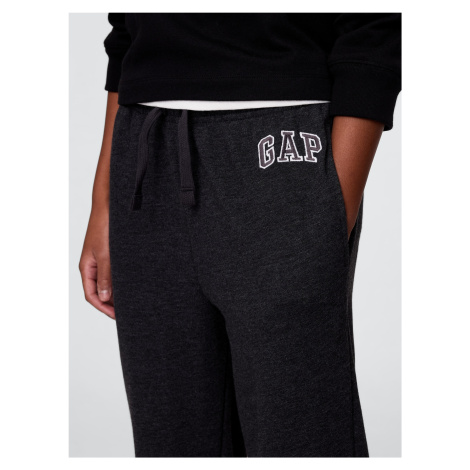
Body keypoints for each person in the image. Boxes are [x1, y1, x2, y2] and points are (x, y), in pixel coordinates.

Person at [79, 13, 401, 457]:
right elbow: (127, 33)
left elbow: (374, 25)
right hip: (146, 157)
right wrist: (103, 203)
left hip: (280, 146)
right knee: (171, 443)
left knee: (301, 439)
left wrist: (327, 210)